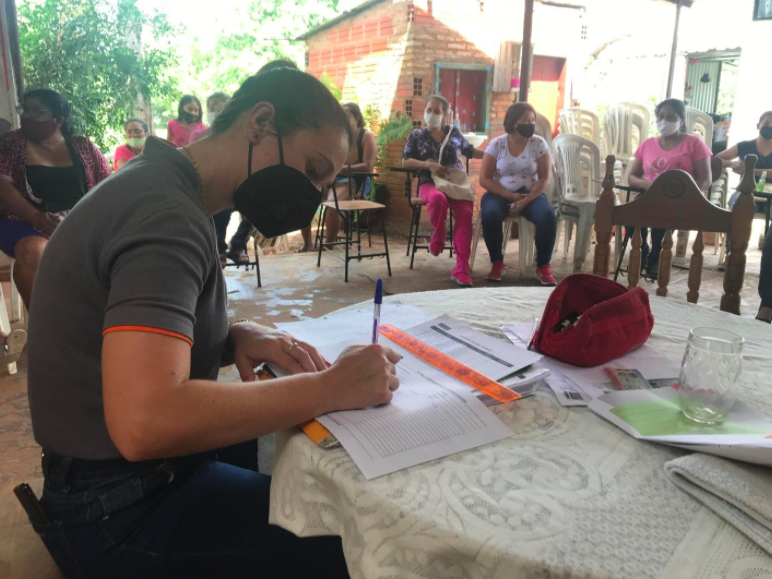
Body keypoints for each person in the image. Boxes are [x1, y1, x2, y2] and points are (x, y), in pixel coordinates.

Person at [26, 64, 400, 579]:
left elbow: (124, 327)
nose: (312, 195)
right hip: (118, 510)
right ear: (260, 122)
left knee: (297, 454)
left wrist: (229, 337)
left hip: (108, 482)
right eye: (313, 170)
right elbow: (145, 421)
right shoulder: (167, 213)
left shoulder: (165, 184)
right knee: (359, 541)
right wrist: (331, 386)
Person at [0, 88, 111, 310]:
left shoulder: (82, 146)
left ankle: (92, 326)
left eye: (37, 111)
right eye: (25, 109)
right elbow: (2, 186)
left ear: (58, 120)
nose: (27, 116)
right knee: (34, 252)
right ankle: (42, 332)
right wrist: (35, 217)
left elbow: (107, 185)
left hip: (77, 221)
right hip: (22, 221)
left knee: (110, 250)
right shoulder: (9, 143)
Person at [401, 95, 485, 287]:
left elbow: (469, 151)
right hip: (429, 183)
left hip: (455, 182)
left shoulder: (453, 133)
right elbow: (405, 160)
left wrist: (493, 156)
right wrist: (427, 166)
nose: (432, 114)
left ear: (445, 114)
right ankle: (438, 235)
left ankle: (461, 269)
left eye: (437, 111)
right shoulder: (416, 135)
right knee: (438, 199)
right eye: (429, 110)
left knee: (465, 213)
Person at [628, 98, 712, 278]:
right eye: (661, 116)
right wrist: (648, 184)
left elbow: (705, 179)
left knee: (663, 216)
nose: (665, 121)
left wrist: (688, 194)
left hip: (680, 198)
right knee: (630, 212)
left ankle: (656, 255)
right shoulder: (648, 144)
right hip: (650, 195)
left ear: (681, 120)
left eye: (672, 117)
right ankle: (642, 250)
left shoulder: (694, 143)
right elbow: (632, 176)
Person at [479, 102, 557, 285]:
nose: (530, 124)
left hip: (530, 195)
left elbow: (544, 178)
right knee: (490, 214)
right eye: (526, 121)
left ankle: (543, 267)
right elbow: (485, 179)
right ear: (514, 123)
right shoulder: (497, 144)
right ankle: (497, 263)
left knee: (547, 216)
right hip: (500, 193)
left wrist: (526, 200)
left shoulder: (539, 143)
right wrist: (510, 196)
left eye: (533, 120)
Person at [716, 110, 772, 322]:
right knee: (736, 214)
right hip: (744, 193)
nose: (769, 126)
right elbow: (719, 158)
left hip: (770, 199)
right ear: (758, 125)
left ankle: (767, 304)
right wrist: (733, 165)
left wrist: (750, 169)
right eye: (766, 122)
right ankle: (732, 258)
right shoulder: (744, 146)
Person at [299, 102, 377, 252]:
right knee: (304, 201)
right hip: (330, 177)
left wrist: (340, 169)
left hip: (354, 179)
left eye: (346, 115)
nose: (342, 119)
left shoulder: (366, 136)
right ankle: (307, 244)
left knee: (332, 204)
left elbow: (367, 166)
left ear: (356, 117)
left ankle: (329, 245)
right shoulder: (336, 136)